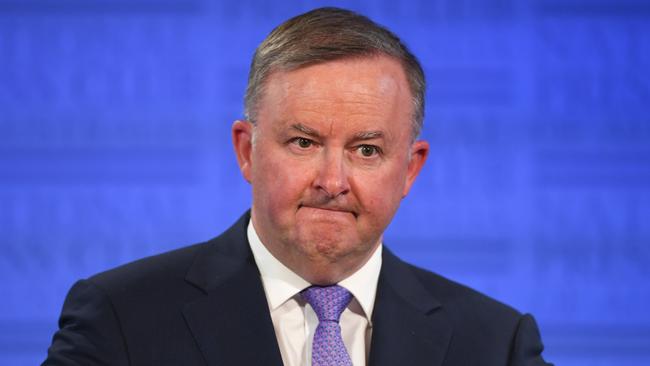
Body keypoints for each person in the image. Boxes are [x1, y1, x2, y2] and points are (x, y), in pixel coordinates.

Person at [43, 7, 552, 366]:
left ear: (411, 170)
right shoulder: (120, 319)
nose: (333, 182)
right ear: (247, 151)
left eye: (367, 150)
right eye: (304, 142)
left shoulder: (495, 344)